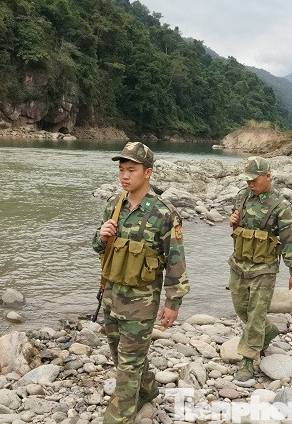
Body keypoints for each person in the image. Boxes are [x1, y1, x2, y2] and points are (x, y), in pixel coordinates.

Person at [92, 142, 190, 424]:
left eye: (131, 170)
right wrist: (102, 236)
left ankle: (119, 415)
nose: (124, 175)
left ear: (148, 173)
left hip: (141, 303)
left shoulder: (164, 213)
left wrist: (173, 302)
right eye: (122, 169)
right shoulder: (114, 204)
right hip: (110, 294)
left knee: (129, 364)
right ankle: (148, 389)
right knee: (118, 355)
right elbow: (97, 248)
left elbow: (175, 260)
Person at [228, 157, 292, 381]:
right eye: (247, 179)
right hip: (239, 264)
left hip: (264, 268)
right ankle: (268, 331)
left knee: (256, 313)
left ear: (268, 177)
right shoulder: (241, 196)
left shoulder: (280, 206)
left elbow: (290, 239)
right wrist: (233, 221)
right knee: (242, 308)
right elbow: (238, 226)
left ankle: (248, 360)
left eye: (255, 179)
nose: (250, 183)